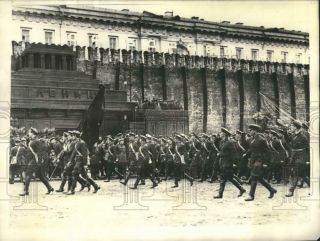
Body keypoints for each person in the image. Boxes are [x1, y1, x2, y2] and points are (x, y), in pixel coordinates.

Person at [244, 124, 277, 201]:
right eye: (249, 130)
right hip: (253, 159)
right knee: (259, 178)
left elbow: (267, 152)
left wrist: (266, 162)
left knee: (254, 177)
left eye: (251, 130)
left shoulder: (261, 140)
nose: (249, 132)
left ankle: (251, 195)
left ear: (255, 131)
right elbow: (251, 149)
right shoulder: (250, 139)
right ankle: (271, 190)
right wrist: (246, 154)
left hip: (259, 160)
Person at [20, 128, 54, 196]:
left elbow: (39, 152)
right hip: (37, 160)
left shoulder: (35, 141)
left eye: (29, 133)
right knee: (41, 176)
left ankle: (25, 191)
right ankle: (49, 188)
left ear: (33, 133)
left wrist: (38, 161)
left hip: (36, 160)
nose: (28, 134)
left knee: (28, 174)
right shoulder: (35, 141)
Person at [214, 128, 246, 199]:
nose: (220, 134)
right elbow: (221, 150)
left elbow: (234, 153)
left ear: (225, 134)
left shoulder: (230, 142)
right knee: (229, 178)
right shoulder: (222, 141)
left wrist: (234, 163)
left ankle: (220, 194)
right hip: (222, 161)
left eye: (221, 133)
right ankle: (241, 189)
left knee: (223, 178)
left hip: (228, 162)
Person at [285, 120, 309, 197]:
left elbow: (307, 149)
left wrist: (308, 160)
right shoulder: (293, 136)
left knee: (295, 172)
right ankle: (314, 187)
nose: (290, 127)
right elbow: (288, 141)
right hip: (294, 156)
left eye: (292, 126)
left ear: (295, 127)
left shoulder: (303, 137)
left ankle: (291, 191)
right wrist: (285, 132)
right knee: (302, 175)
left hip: (301, 157)